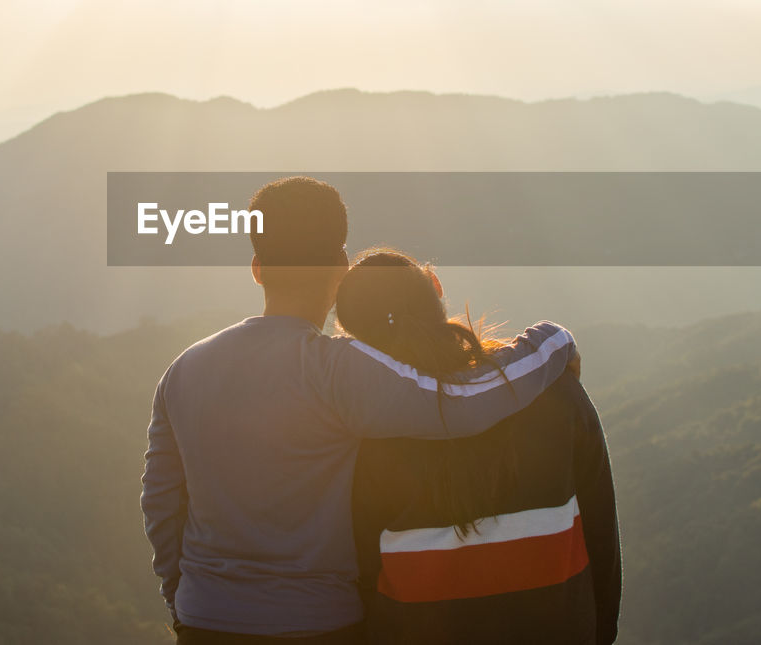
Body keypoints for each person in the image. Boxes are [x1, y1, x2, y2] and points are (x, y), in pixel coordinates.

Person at [141, 176, 579, 643]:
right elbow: (465, 404)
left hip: (204, 621)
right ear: (341, 266)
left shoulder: (183, 371)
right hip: (318, 626)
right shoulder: (337, 370)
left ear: (257, 268)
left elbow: (162, 507)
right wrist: (553, 340)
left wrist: (183, 602)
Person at [340, 249, 621, 645]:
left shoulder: (366, 430)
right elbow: (600, 532)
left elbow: (360, 568)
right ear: (436, 286)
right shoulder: (556, 395)